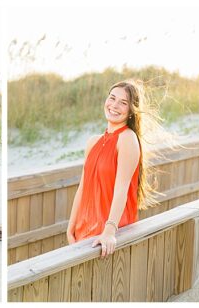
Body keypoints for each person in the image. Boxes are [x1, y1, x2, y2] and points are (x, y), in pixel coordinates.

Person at [67, 80, 159, 258]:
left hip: (109, 234)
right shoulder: (93, 142)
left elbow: (121, 188)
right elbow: (82, 187)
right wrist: (70, 228)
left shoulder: (127, 139)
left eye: (123, 103)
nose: (114, 105)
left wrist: (109, 232)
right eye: (112, 98)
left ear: (131, 111)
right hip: (83, 231)